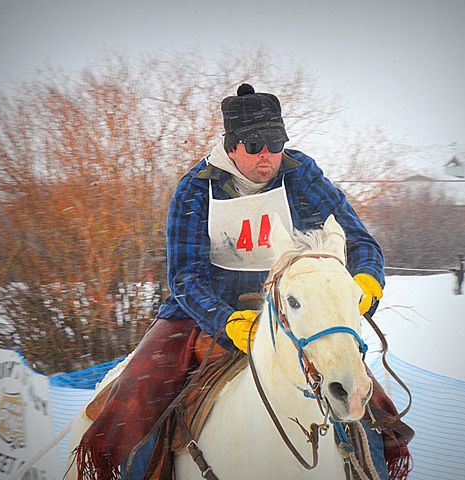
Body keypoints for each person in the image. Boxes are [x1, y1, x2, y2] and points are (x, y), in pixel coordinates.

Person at [76, 84, 400, 480]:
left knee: (366, 400)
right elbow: (185, 276)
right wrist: (225, 319)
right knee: (142, 393)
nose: (267, 155)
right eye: (254, 144)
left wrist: (366, 281)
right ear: (231, 147)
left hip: (293, 307)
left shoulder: (301, 174)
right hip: (203, 312)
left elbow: (359, 239)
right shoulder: (195, 188)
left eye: (276, 142)